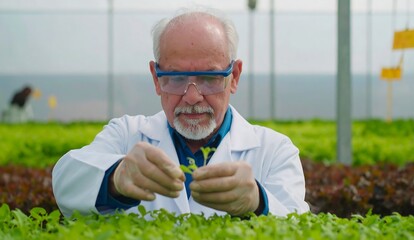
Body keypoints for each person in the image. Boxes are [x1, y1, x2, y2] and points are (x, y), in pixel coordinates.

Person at [52, 7, 310, 218]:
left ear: (234, 77)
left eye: (209, 77)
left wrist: (259, 201)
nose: (192, 96)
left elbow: (298, 223)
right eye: (175, 77)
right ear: (156, 78)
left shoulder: (274, 151)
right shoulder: (126, 134)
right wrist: (116, 179)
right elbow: (66, 182)